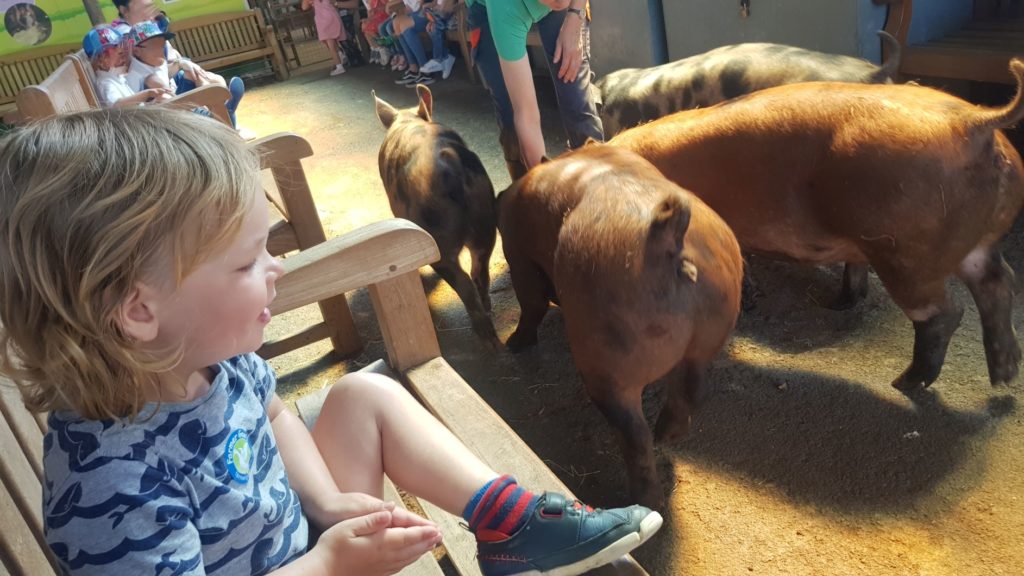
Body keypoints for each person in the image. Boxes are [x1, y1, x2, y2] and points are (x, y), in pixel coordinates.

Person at [0, 107, 663, 576]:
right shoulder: (111, 489)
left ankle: (508, 526)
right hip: (307, 565)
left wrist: (324, 500)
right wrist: (329, 564)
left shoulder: (210, 361)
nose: (277, 269)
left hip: (300, 540)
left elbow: (275, 412)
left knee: (360, 396)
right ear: (139, 311)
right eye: (246, 262)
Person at [467, 0, 603, 179]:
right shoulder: (503, 9)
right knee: (511, 118)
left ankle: (600, 178)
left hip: (571, 7)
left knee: (576, 93)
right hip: (494, 9)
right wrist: (541, 186)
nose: (560, 1)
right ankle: (524, 189)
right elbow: (526, 116)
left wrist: (575, 16)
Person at [112, 0, 246, 127]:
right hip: (159, 113)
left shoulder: (151, 42)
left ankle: (224, 114)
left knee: (202, 79)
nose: (161, 50)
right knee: (169, 91)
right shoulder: (125, 38)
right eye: (143, 5)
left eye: (161, 45)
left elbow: (170, 55)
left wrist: (181, 63)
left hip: (171, 94)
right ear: (124, 10)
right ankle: (219, 114)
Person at [83, 24, 172, 108]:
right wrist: (147, 94)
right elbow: (116, 105)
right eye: (120, 54)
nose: (125, 58)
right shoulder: (105, 83)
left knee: (164, 99)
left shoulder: (116, 78)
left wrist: (153, 102)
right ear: (101, 60)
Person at [302, 0, 348, 77]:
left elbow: (304, 7)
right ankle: (340, 55)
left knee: (331, 46)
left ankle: (339, 66)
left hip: (323, 20)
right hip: (332, 16)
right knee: (331, 42)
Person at [418, 0, 458, 80]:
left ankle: (439, 59)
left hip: (455, 16)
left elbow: (448, 6)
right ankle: (445, 57)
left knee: (434, 24)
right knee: (428, 18)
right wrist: (432, 5)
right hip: (442, 16)